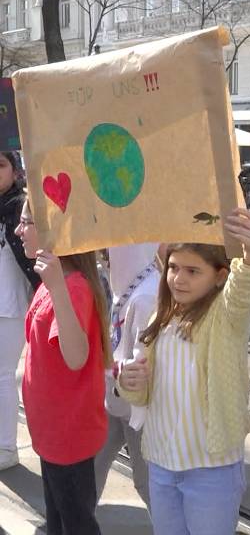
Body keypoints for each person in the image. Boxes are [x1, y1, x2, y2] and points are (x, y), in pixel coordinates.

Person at [118, 208, 250, 535]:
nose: (178, 278)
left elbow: (247, 281)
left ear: (220, 275)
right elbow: (144, 391)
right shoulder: (161, 317)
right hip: (160, 463)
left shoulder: (226, 317)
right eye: (173, 268)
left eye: (192, 271)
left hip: (210, 469)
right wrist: (129, 383)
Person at [15, 200, 111, 535]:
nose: (18, 230)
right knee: (58, 522)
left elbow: (76, 356)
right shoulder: (56, 282)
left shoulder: (72, 287)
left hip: (68, 436)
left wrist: (56, 287)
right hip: (52, 434)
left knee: (76, 524)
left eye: (26, 222)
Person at [94, 243, 160, 507]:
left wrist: (107, 368)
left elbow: (142, 365)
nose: (105, 258)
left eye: (110, 252)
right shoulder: (128, 287)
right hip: (117, 401)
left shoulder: (146, 297)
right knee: (93, 463)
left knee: (146, 483)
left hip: (138, 409)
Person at [0, 151, 38, 470]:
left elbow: (33, 263)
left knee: (3, 377)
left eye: (1, 165)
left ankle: (7, 448)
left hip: (10, 305)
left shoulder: (19, 207)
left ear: (15, 170)